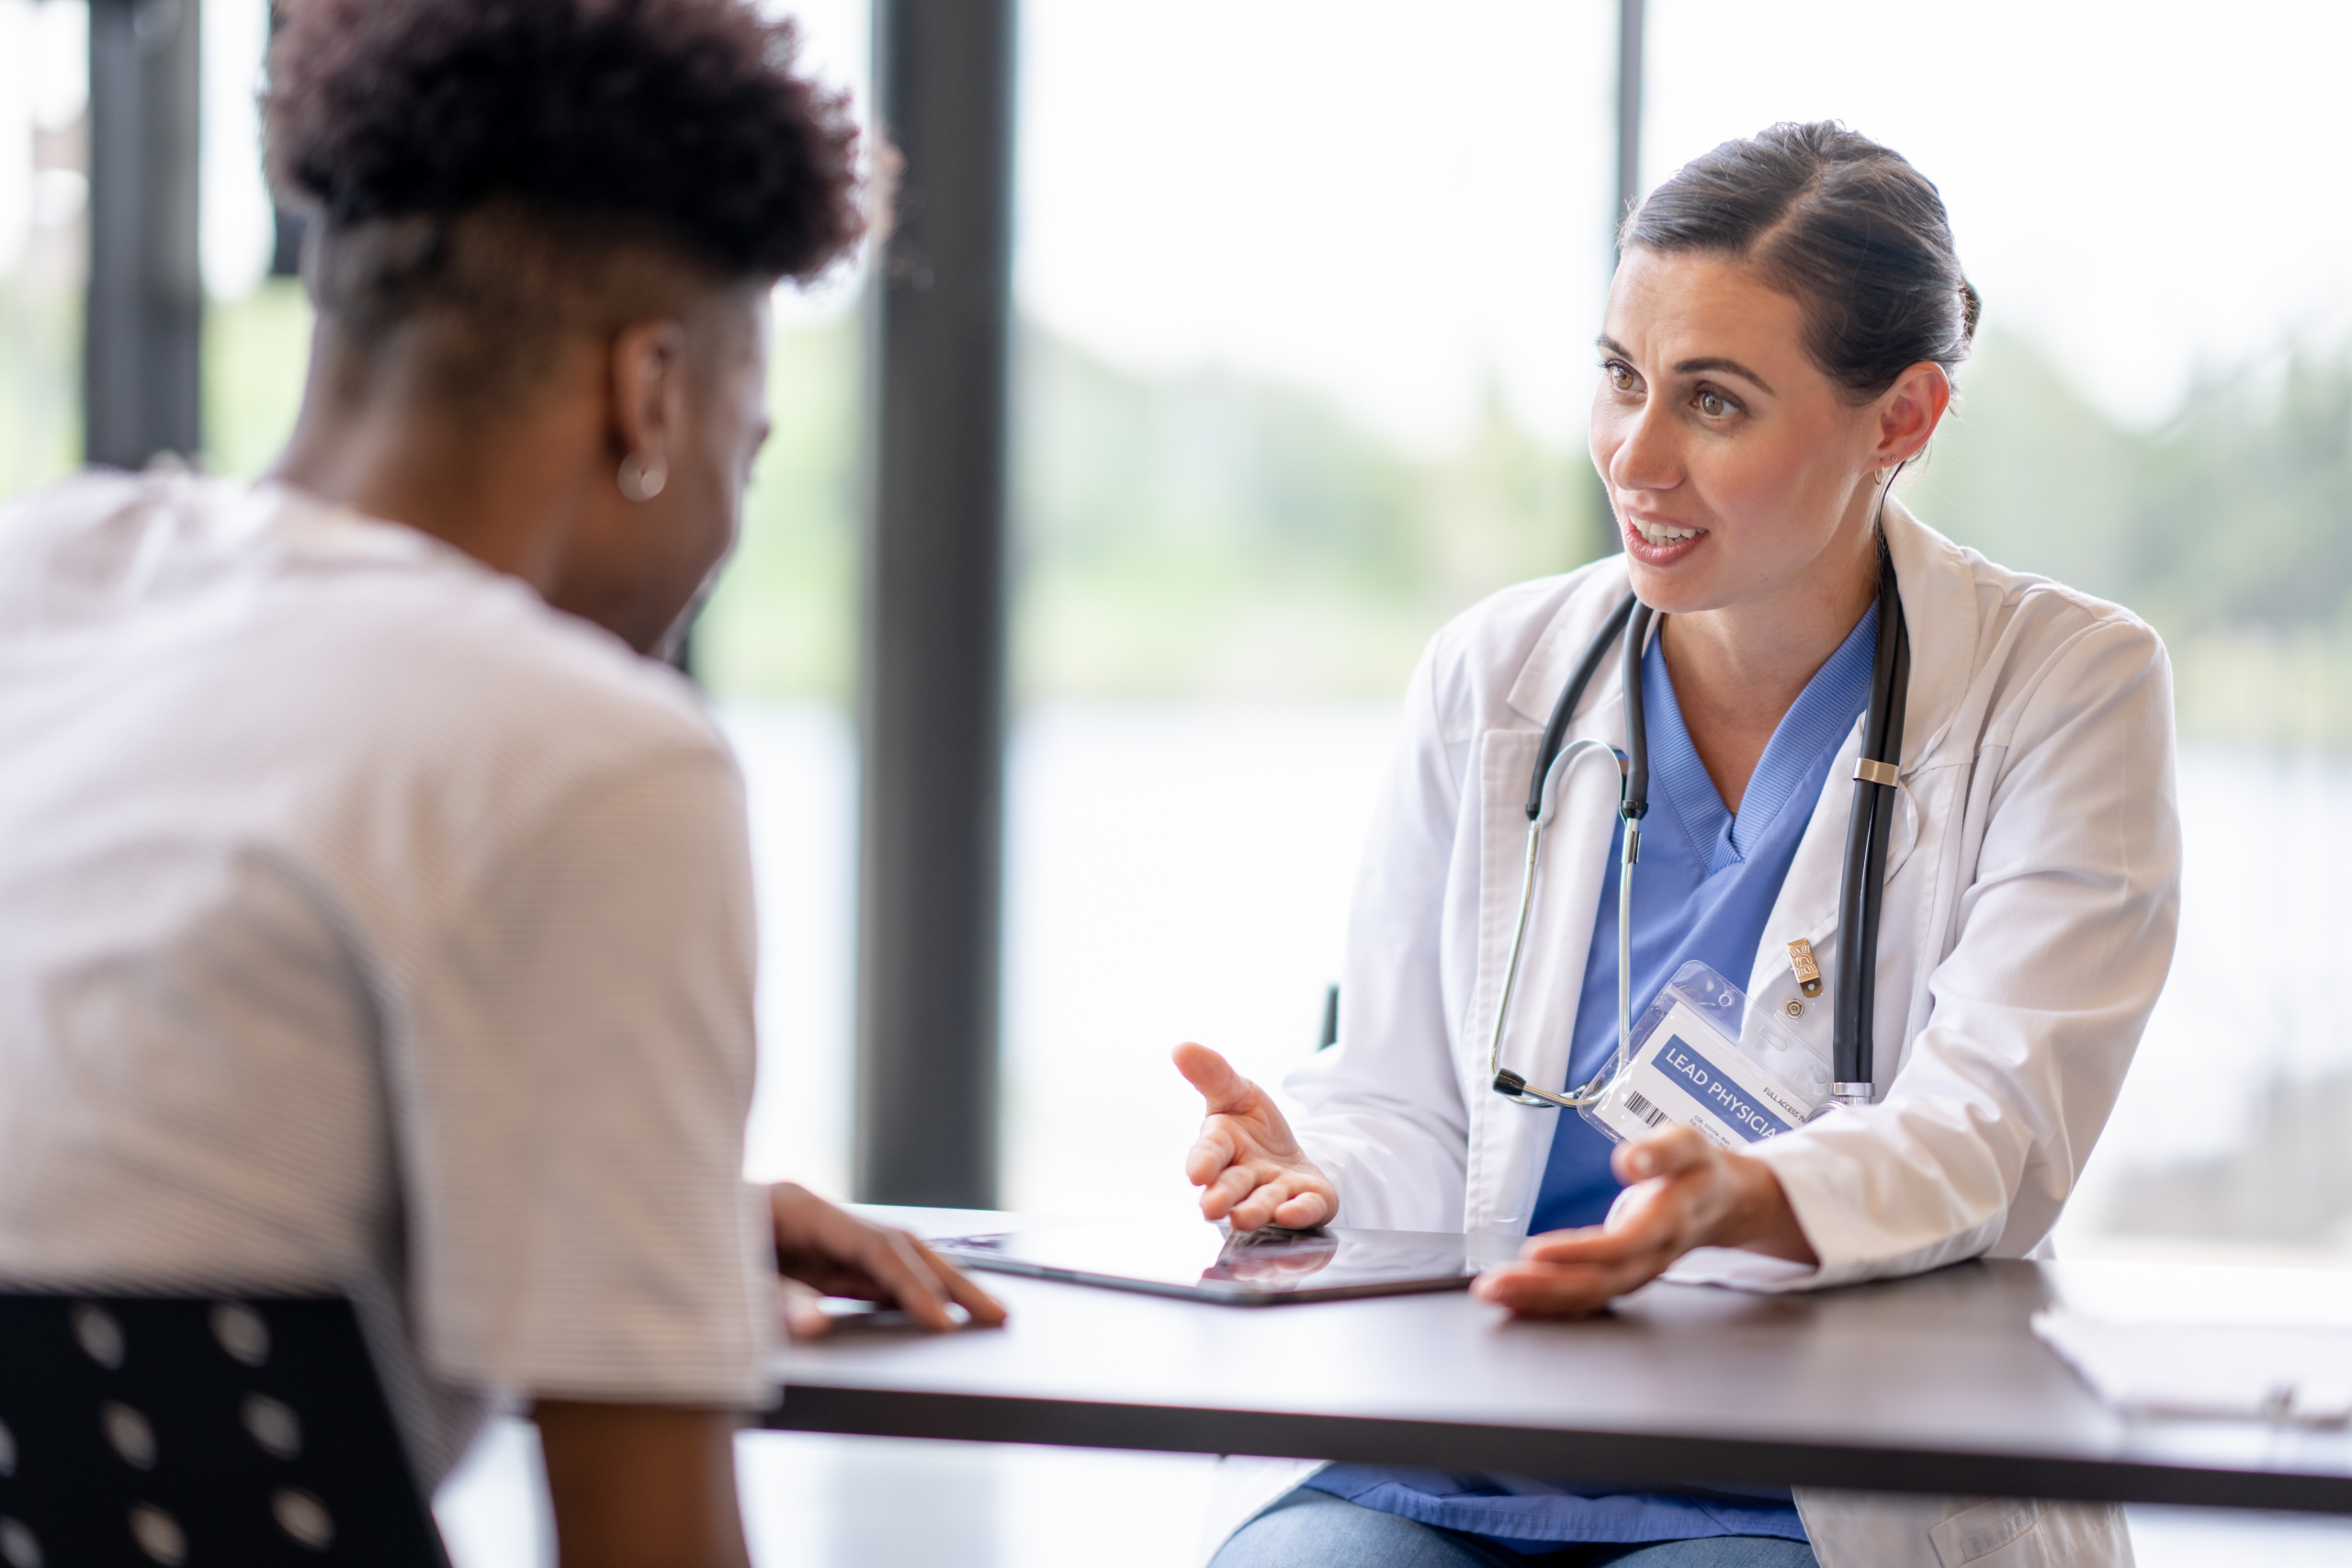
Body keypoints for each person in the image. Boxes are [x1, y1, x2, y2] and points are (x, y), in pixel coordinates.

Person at [0, 1, 1002, 1562]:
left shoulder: (41, 575)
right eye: (756, 432)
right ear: (651, 395)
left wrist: (648, 1213)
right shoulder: (592, 756)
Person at [1178, 123, 2179, 1568]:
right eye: (1621, 378)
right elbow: (1408, 1106)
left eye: (1713, 402)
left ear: (1901, 418)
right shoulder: (1497, 672)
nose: (1633, 456)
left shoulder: (2064, 684)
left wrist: (1763, 1195)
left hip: (1812, 1463)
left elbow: (1997, 1134)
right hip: (1470, 1424)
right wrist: (1318, 1170)